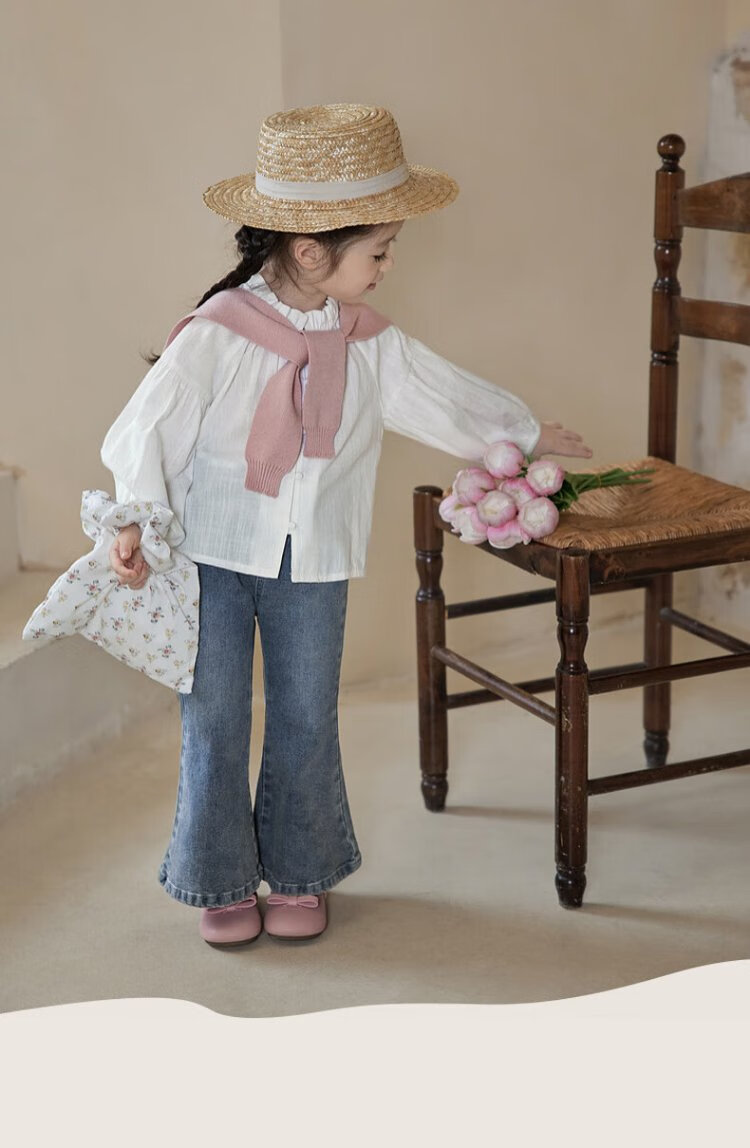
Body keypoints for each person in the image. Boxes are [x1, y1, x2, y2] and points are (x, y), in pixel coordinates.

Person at [101, 104, 592, 948]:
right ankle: (218, 877)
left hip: (314, 559)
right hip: (208, 555)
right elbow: (147, 426)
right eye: (380, 251)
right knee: (215, 719)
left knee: (305, 715)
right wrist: (134, 520)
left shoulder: (368, 342)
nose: (389, 266)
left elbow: (440, 395)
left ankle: (300, 873)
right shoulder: (219, 335)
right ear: (309, 250)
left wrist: (521, 432)